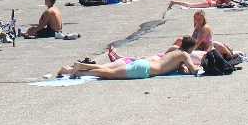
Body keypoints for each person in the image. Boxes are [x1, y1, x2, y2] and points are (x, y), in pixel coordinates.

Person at [56, 47, 196, 80]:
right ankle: (80, 69)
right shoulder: (184, 55)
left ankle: (73, 69)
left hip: (143, 64)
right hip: (144, 69)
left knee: (107, 70)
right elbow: (193, 70)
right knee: (108, 74)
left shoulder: (174, 51)